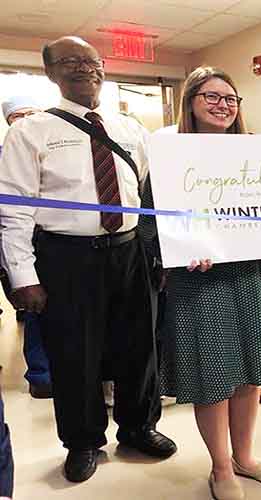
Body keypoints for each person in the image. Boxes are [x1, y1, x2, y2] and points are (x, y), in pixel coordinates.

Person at [0, 36, 175, 483]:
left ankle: (138, 427)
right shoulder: (29, 132)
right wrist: (23, 274)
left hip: (130, 251)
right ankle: (82, 441)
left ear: (103, 67)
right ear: (50, 73)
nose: (83, 68)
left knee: (140, 346)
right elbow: (14, 208)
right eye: (69, 61)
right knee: (74, 353)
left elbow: (152, 194)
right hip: (66, 256)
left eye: (91, 60)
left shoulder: (130, 129)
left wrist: (164, 250)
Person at [139, 66, 261, 500]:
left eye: (230, 98)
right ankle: (221, 467)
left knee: (250, 371)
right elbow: (149, 227)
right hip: (202, 281)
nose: (222, 105)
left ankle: (246, 458)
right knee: (214, 374)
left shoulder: (260, 154)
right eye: (211, 96)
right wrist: (183, 246)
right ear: (190, 102)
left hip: (256, 275)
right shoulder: (170, 158)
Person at [0, 96, 52, 400]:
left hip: (54, 243)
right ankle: (41, 375)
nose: (26, 121)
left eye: (33, 114)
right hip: (15, 244)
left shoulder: (50, 153)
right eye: (18, 116)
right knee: (34, 311)